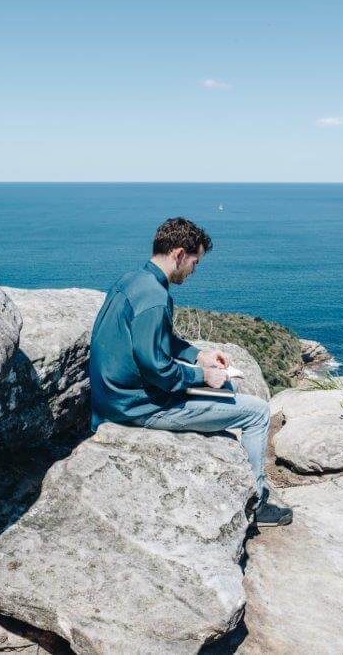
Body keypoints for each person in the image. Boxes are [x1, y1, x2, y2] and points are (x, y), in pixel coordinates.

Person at [88, 217, 293, 526]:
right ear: (179, 254)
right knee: (258, 412)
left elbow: (159, 340)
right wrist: (203, 377)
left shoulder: (132, 281)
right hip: (138, 407)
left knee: (226, 392)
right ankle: (256, 504)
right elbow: (157, 368)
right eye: (195, 261)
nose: (195, 269)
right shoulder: (157, 298)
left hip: (112, 398)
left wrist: (199, 356)